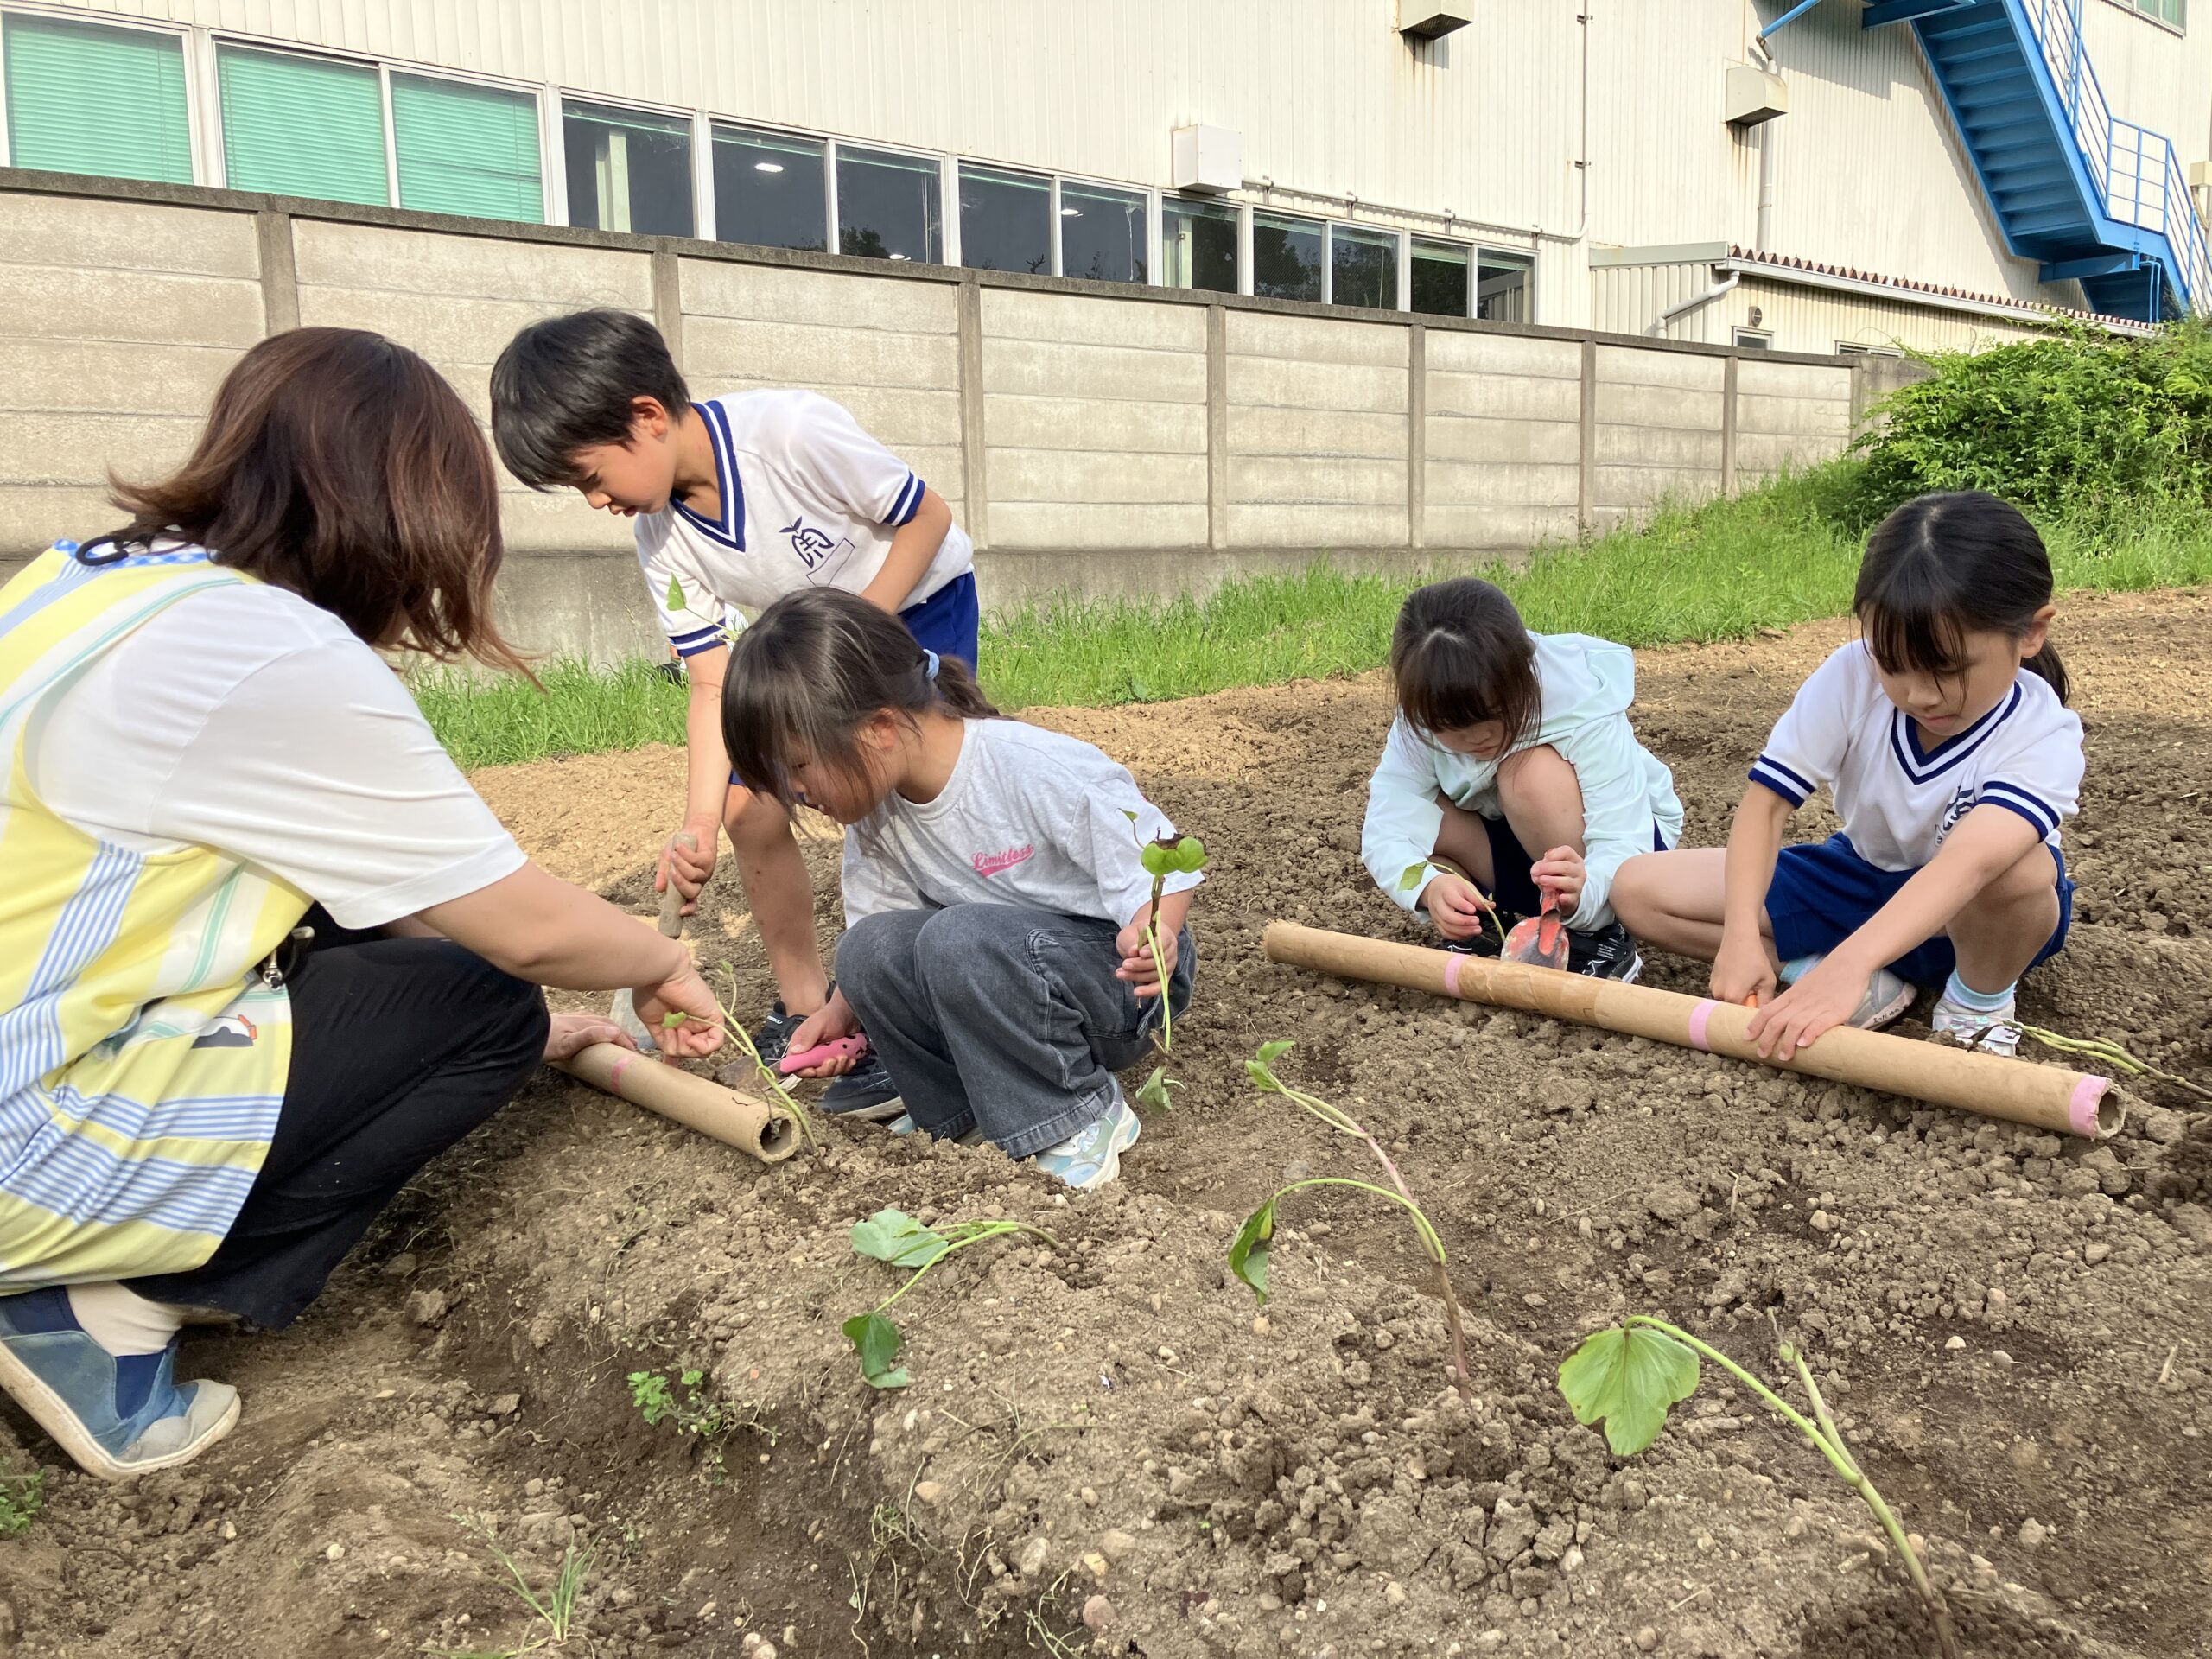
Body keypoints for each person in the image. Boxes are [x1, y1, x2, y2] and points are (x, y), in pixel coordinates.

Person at [0, 328, 724, 1483]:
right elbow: (523, 927)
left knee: (384, 941)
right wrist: (656, 960)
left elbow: (390, 896)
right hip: (24, 1145)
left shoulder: (88, 576)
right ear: (405, 511)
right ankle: (103, 1318)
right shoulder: (265, 648)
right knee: (484, 1008)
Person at [489, 310, 975, 1114]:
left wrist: (853, 634)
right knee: (749, 807)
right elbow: (713, 682)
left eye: (590, 476)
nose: (595, 500)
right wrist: (698, 823)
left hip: (914, 609)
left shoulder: (789, 434)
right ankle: (804, 1008)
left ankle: (902, 1017)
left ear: (647, 416)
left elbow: (929, 517)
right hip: (801, 654)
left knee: (893, 795)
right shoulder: (661, 536)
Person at [718, 588, 1199, 1191]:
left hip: (1120, 984)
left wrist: (1155, 931)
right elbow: (883, 933)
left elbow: (1162, 856)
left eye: (798, 766)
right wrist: (842, 1013)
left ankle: (1076, 1115)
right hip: (998, 977)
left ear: (880, 728)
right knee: (865, 950)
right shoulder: (878, 813)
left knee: (956, 935)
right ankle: (963, 1112)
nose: (795, 791)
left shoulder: (1028, 765)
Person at [1611, 491, 2081, 1059]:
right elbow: (1766, 806)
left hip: (1975, 920)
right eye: (1892, 664)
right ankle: (1849, 980)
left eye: (1947, 669)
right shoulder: (1850, 676)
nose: (1919, 695)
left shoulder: (2042, 733)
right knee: (1638, 890)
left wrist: (1849, 961)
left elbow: (1969, 865)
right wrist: (1739, 936)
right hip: (1859, 880)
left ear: (2031, 632)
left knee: (2023, 870)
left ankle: (1975, 1005)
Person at [1362, 578, 1682, 982]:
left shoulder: (1579, 698)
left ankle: (1599, 933)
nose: (1476, 738)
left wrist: (1587, 891)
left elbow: (1622, 836)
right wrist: (1428, 887)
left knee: (1527, 773)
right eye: (1448, 727)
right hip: (1524, 856)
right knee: (1421, 817)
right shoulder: (1422, 714)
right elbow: (1387, 826)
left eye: (1493, 715)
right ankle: (1485, 926)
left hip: (1618, 855)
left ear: (1523, 672)